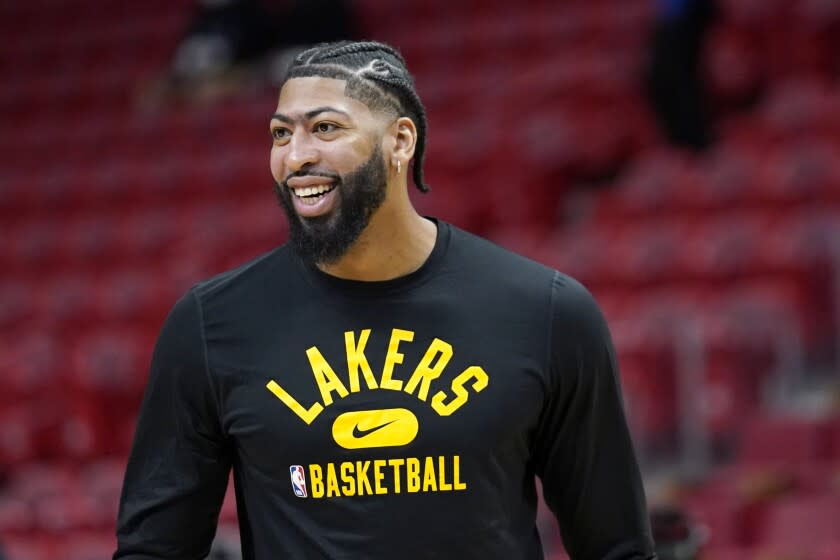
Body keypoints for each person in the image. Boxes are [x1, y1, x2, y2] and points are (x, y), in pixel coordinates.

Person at [114, 40, 656, 559]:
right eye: (281, 134)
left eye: (325, 128)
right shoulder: (211, 325)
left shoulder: (546, 312)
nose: (296, 156)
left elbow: (615, 548)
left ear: (400, 141)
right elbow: (154, 551)